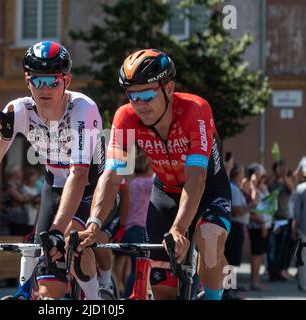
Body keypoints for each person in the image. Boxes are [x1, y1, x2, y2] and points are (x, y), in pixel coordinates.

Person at [76, 49, 232, 300]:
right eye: (132, 96)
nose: (139, 104)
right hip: (165, 191)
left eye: (147, 94)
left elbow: (197, 178)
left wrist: (180, 229)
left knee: (210, 242)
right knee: (162, 291)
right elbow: (112, 176)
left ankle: (214, 296)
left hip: (207, 189)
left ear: (169, 88)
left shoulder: (195, 109)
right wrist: (94, 223)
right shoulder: (125, 117)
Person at [0, 41, 108, 300]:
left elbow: (79, 174)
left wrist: (58, 230)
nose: (44, 89)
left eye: (53, 82)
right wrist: (3, 137)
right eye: (38, 81)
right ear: (28, 80)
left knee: (72, 239)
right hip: (54, 186)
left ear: (67, 80)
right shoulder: (19, 109)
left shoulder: (84, 108)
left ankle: (96, 299)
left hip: (90, 186)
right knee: (50, 293)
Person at [116, 150, 153, 298]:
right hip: (139, 229)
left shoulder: (132, 183)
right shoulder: (146, 183)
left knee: (130, 267)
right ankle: (130, 295)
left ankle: (120, 292)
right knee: (138, 269)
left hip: (127, 229)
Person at [223, 163, 256, 299]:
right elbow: (236, 210)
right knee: (230, 258)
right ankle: (227, 290)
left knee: (232, 259)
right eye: (242, 172)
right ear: (237, 174)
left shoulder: (237, 188)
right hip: (235, 226)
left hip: (237, 227)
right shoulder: (234, 188)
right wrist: (250, 206)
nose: (244, 175)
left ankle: (231, 288)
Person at [266, 160, 295, 281]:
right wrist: (275, 174)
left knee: (281, 248)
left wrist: (283, 175)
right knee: (271, 248)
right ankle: (272, 272)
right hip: (273, 218)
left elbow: (291, 189)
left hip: (284, 219)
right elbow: (267, 186)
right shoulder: (272, 181)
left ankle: (279, 272)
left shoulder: (286, 182)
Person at [243, 163, 270, 291]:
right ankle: (254, 282)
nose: (263, 178)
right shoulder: (248, 186)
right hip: (256, 226)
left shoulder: (262, 187)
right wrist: (254, 187)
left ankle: (256, 281)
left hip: (264, 225)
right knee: (256, 254)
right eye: (261, 175)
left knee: (260, 254)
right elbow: (251, 207)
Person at [0, 166, 37, 236]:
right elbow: (21, 199)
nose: (21, 172)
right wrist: (36, 196)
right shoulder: (9, 185)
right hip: (13, 217)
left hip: (22, 217)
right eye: (19, 171)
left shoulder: (20, 185)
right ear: (14, 173)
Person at [293, 169, 306, 291]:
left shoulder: (301, 189)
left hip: (304, 228)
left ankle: (303, 284)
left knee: (303, 257)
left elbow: (296, 212)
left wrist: (294, 228)